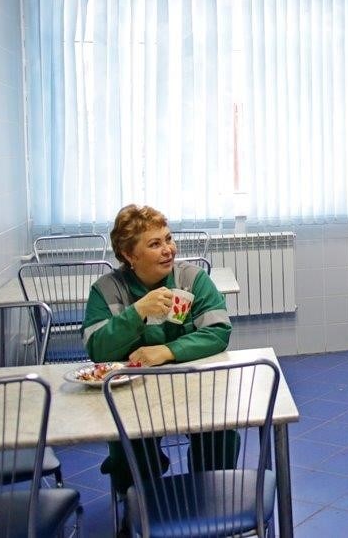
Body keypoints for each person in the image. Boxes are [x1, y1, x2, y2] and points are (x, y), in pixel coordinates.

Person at [81, 204, 239, 502]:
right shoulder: (107, 290)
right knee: (130, 446)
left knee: (220, 435)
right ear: (129, 255)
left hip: (194, 388)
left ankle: (211, 499)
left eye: (168, 239)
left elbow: (218, 331)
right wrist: (137, 312)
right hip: (133, 396)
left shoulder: (192, 279)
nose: (168, 249)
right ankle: (138, 505)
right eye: (155, 244)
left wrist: (167, 351)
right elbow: (97, 348)